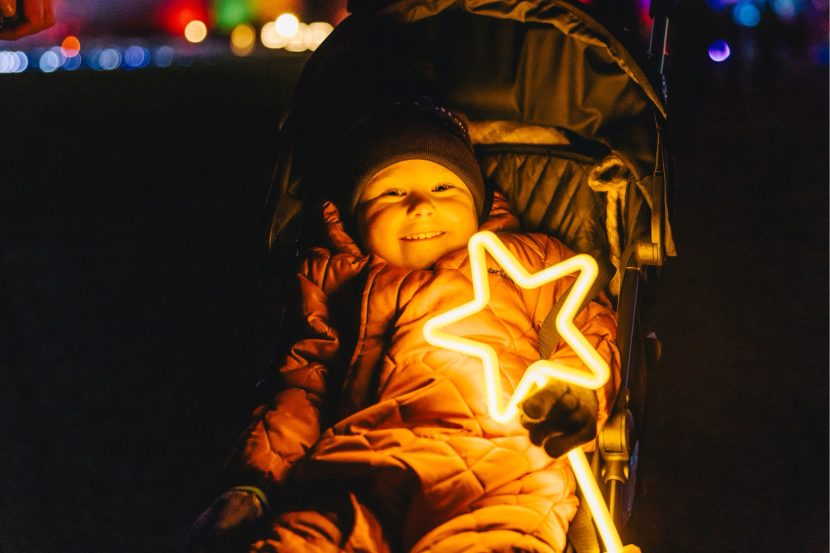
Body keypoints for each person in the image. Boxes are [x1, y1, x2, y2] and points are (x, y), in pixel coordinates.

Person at [187, 99, 622, 553]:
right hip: (359, 469)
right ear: (355, 212)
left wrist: (576, 394)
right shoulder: (338, 281)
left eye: (443, 188)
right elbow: (301, 390)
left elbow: (592, 330)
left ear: (477, 202)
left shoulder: (527, 262)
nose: (420, 207)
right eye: (391, 193)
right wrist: (255, 485)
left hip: (499, 469)